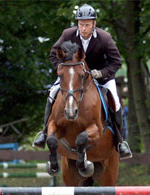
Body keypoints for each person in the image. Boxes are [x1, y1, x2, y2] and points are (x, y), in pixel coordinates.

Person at [33, 4, 132, 159]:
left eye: (87, 24)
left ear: (94, 24)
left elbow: (116, 61)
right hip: (72, 75)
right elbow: (53, 54)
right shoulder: (68, 34)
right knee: (52, 92)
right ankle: (44, 132)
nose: (84, 28)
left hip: (100, 77)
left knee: (116, 101)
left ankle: (121, 141)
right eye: (81, 24)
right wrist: (63, 70)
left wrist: (101, 73)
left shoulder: (104, 38)